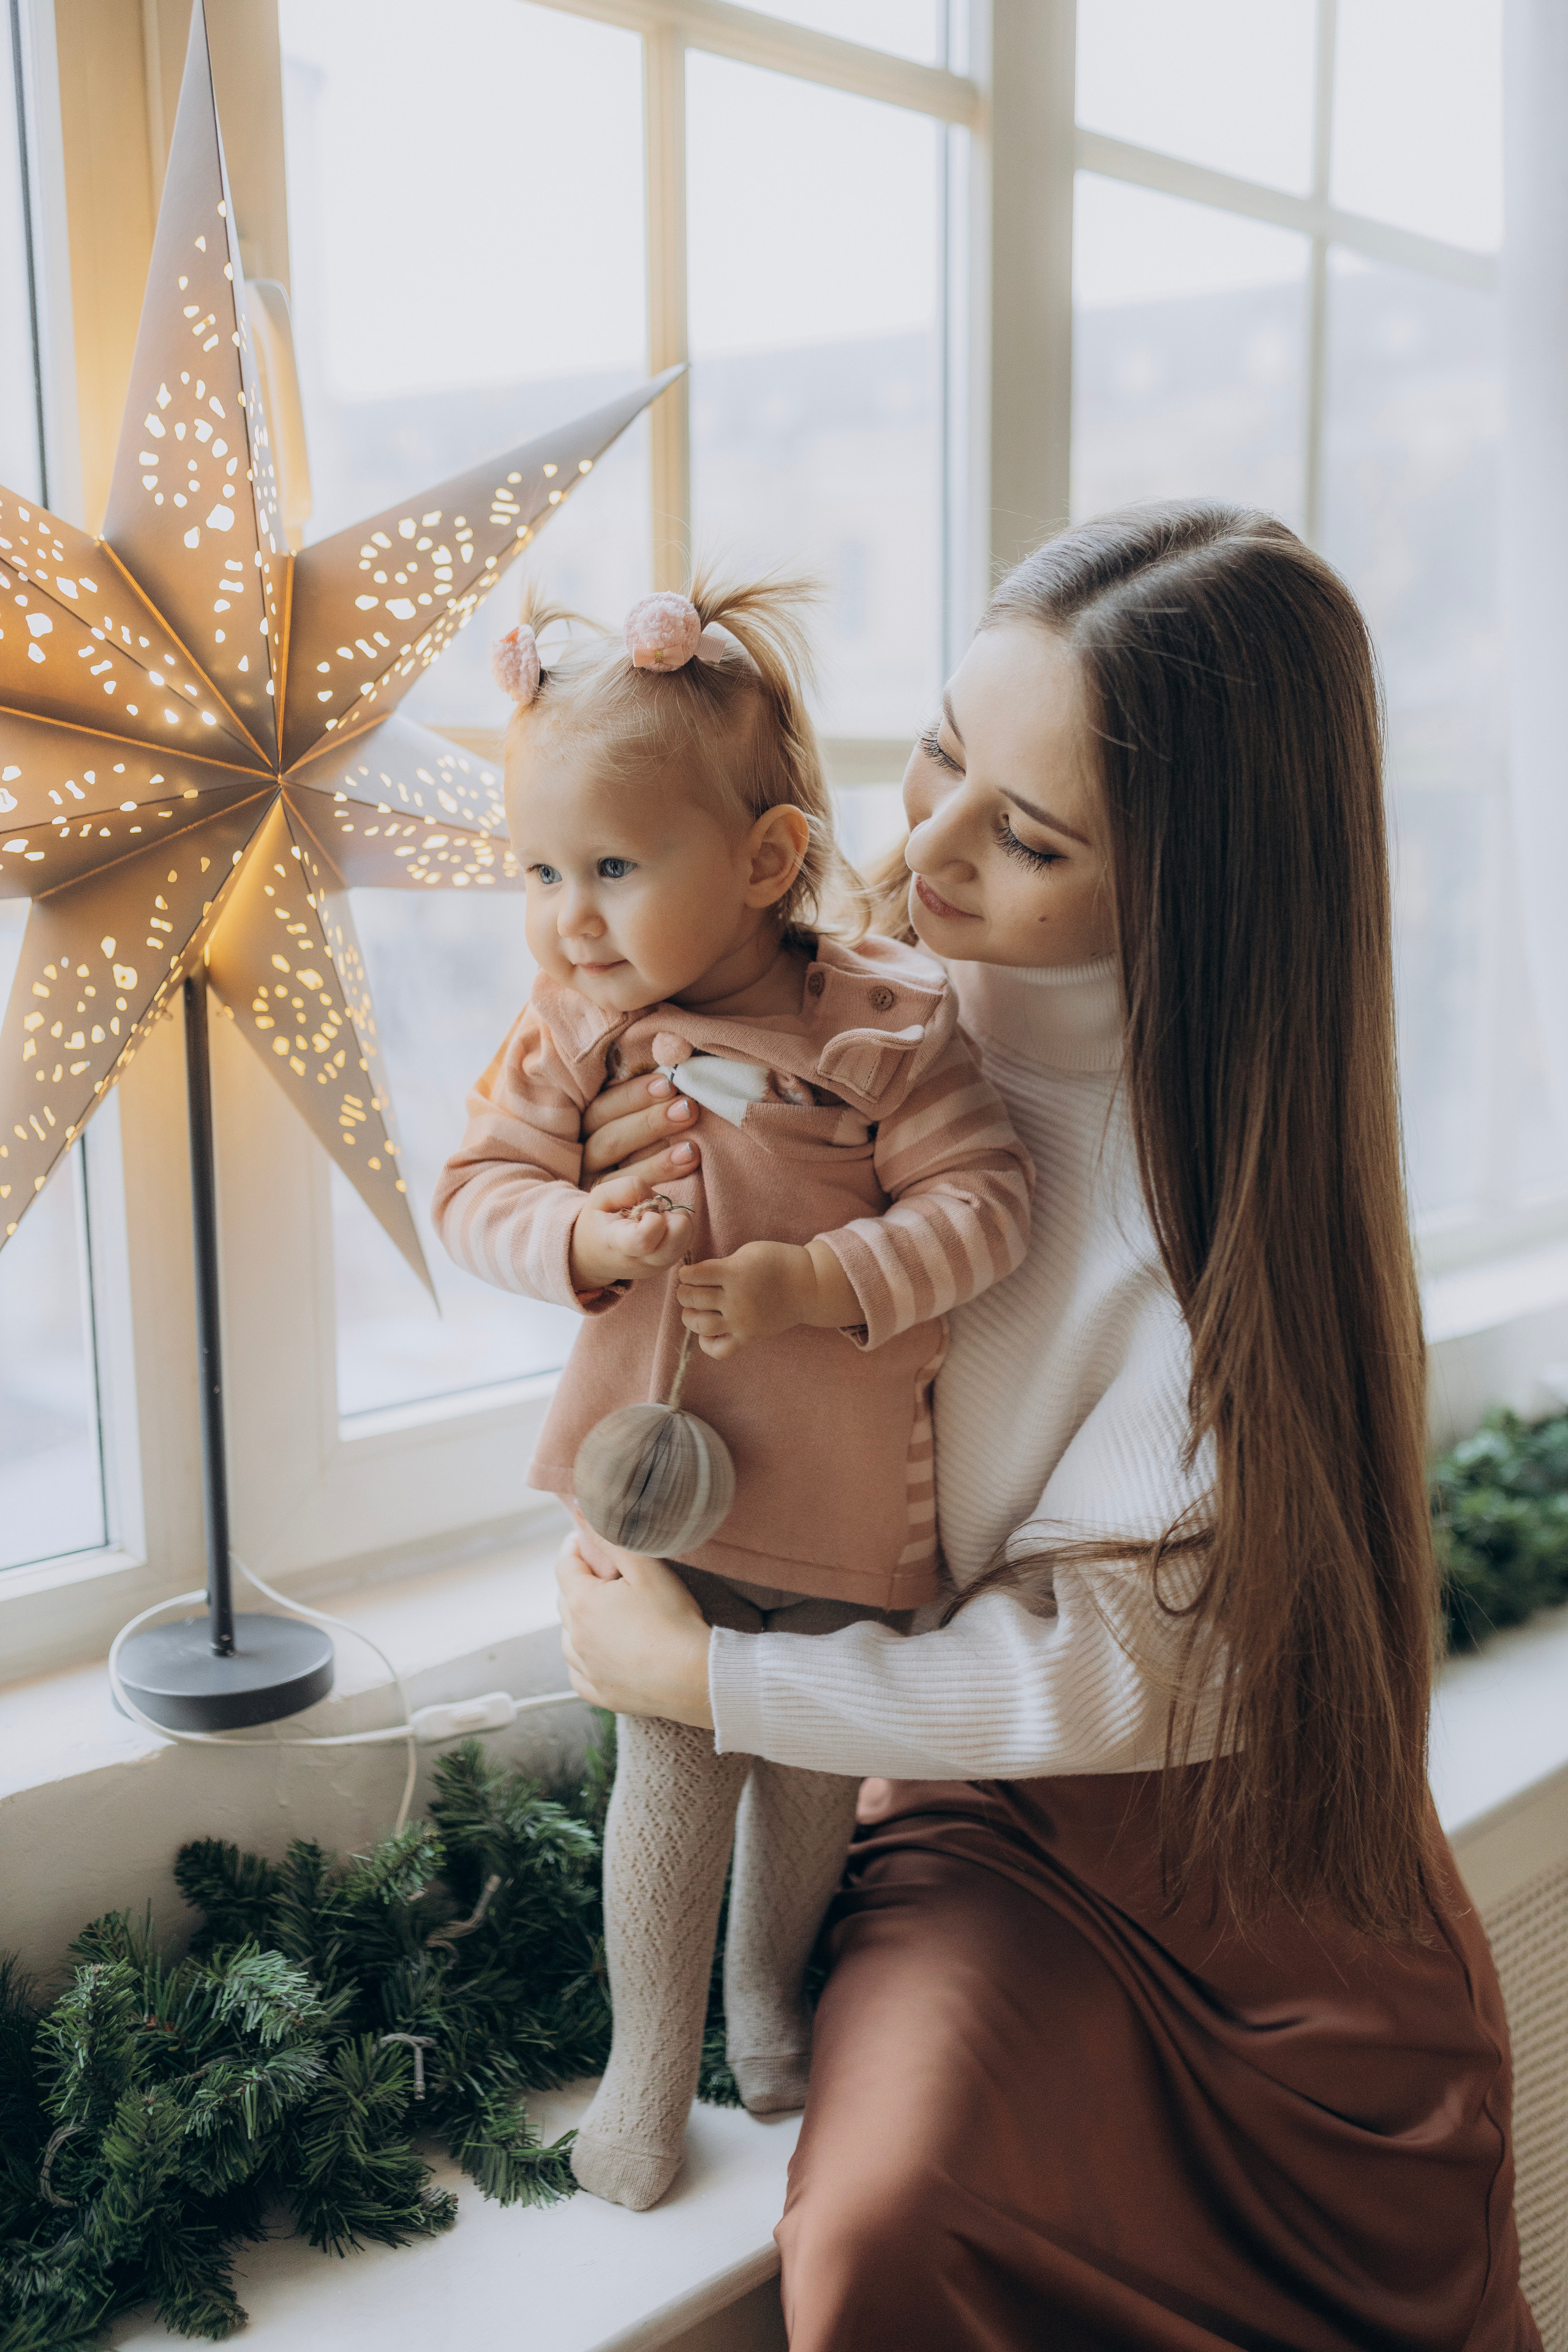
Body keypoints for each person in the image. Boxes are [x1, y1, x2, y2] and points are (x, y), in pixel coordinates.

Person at [554, 508, 1540, 2349]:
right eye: (939, 752)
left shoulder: (1216, 1216)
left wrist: (708, 1681)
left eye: (1028, 838)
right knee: (892, 2228)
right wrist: (607, 1203)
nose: (925, 847)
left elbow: (1104, 1678)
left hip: (1229, 1862)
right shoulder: (827, 997)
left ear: (1195, 885)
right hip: (965, 1815)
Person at [432, 577, 1031, 2212]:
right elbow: (473, 1190)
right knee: (673, 1780)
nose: (569, 919)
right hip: (662, 1506)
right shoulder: (577, 1029)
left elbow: (989, 1207)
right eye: (540, 873)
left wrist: (817, 1280)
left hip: (840, 1494)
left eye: (613, 870)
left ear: (767, 862)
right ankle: (646, 2068)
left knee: (814, 1779)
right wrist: (578, 1235)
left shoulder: (886, 1024)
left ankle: (768, 1998)